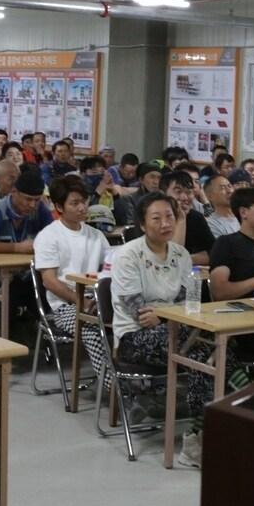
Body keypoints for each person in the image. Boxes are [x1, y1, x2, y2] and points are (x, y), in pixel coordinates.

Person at [109, 191, 209, 468]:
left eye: (170, 216)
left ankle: (198, 435)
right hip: (133, 338)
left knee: (213, 351)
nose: (166, 223)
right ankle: (196, 439)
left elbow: (188, 300)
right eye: (157, 218)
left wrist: (163, 317)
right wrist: (169, 317)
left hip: (175, 331)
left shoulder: (181, 254)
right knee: (202, 352)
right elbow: (138, 312)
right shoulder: (129, 255)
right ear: (142, 224)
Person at [32, 178, 109, 382]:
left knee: (128, 321)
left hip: (95, 299)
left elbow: (111, 268)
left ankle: (137, 384)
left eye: (84, 201)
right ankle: (115, 389)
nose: (82, 207)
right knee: (92, 328)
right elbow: (49, 281)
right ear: (59, 207)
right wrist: (79, 300)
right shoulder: (48, 236)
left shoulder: (96, 235)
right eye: (74, 203)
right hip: (64, 306)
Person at [0, 168, 52, 255]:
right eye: (28, 199)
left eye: (37, 200)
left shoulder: (41, 209)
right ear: (14, 192)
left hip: (31, 266)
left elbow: (56, 239)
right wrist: (17, 247)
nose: (32, 205)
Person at [162, 170, 213, 266]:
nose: (184, 197)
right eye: (178, 192)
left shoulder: (196, 217)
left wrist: (185, 258)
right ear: (163, 194)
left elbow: (212, 254)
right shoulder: (156, 219)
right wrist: (181, 219)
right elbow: (171, 260)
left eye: (189, 192)